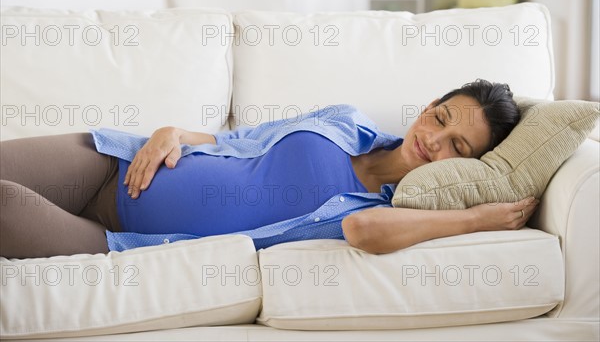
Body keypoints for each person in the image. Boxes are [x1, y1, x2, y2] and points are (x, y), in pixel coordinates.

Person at [0, 79, 539, 259]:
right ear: (429, 106)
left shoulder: (386, 209)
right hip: (117, 162)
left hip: (116, 237)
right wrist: (174, 132)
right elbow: (240, 140)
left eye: (458, 149)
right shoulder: (346, 121)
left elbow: (363, 233)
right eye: (441, 119)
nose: (434, 142)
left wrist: (475, 219)